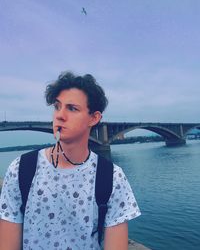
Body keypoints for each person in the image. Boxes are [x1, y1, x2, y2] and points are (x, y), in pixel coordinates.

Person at [0, 71, 141, 250]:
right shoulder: (20, 170)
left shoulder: (113, 178)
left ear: (94, 118)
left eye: (72, 108)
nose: (59, 115)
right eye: (57, 107)